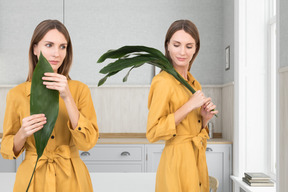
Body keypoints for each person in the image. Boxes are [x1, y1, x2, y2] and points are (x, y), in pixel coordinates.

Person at [0, 19, 99, 192]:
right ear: (35, 48)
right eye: (49, 45)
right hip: (32, 180)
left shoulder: (80, 91)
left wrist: (67, 97)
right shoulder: (16, 94)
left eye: (63, 47)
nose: (56, 53)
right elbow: (6, 149)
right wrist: (22, 133)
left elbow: (88, 143)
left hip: (73, 180)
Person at [146, 19, 218, 192]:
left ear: (196, 49)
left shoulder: (194, 84)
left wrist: (205, 119)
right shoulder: (162, 82)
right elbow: (153, 132)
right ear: (168, 46)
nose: (182, 52)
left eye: (189, 46)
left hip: (196, 160)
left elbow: (194, 128)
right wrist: (188, 106)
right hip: (175, 163)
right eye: (177, 45)